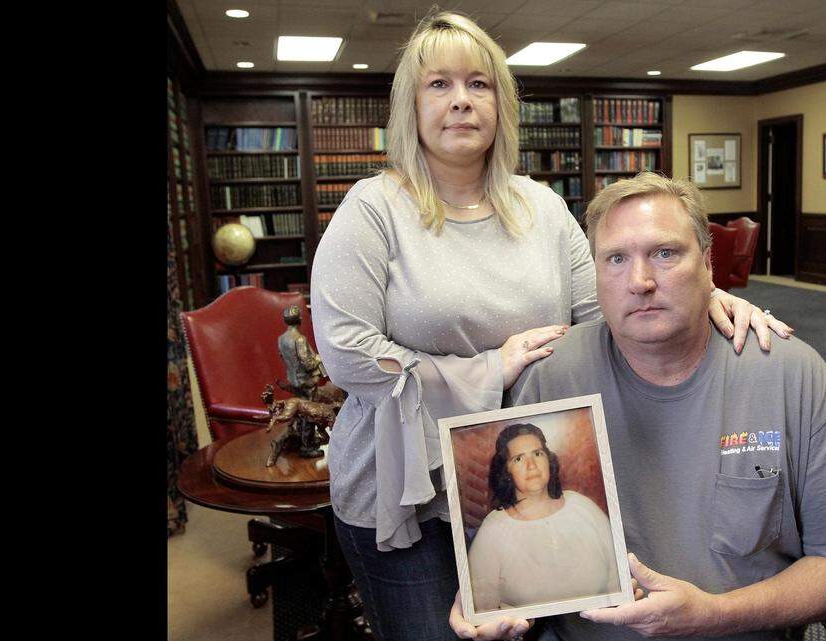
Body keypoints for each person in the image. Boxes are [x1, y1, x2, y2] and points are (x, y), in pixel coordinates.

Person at [310, 11, 791, 641]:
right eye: (439, 85)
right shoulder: (372, 209)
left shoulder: (540, 206)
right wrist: (490, 371)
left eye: (479, 85)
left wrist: (701, 303)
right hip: (410, 488)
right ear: (410, 105)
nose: (461, 101)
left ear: (502, 104)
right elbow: (347, 353)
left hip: (540, 476)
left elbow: (610, 314)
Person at [449, 172, 826, 641]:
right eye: (615, 259)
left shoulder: (789, 374)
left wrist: (715, 614)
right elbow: (504, 568)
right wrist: (487, 608)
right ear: (593, 274)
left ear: (709, 264)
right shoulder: (553, 377)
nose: (640, 281)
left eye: (665, 254)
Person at [467, 424, 619, 614]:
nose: (531, 465)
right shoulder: (493, 529)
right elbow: (482, 608)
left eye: (537, 454)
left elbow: (617, 576)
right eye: (519, 458)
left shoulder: (582, 506)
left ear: (549, 460)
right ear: (505, 471)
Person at [277, 305, 325, 401]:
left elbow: (282, 356)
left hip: (291, 378)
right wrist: (320, 359)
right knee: (324, 361)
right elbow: (307, 364)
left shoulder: (281, 339)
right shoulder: (300, 339)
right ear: (299, 319)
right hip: (304, 380)